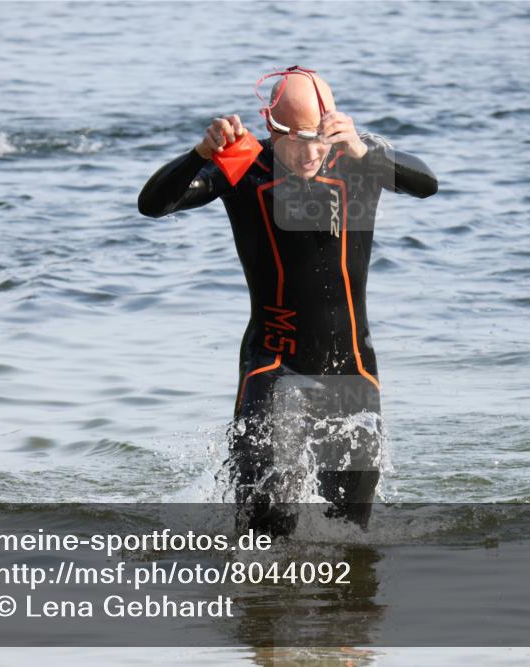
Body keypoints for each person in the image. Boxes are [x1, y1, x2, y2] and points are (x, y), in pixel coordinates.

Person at [138, 66, 437, 534]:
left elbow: (427, 184)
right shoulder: (244, 165)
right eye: (297, 140)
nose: (312, 152)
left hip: (351, 372)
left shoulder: (358, 157)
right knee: (266, 529)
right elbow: (153, 204)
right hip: (274, 368)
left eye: (320, 138)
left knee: (351, 537)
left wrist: (365, 150)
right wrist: (201, 152)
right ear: (271, 127)